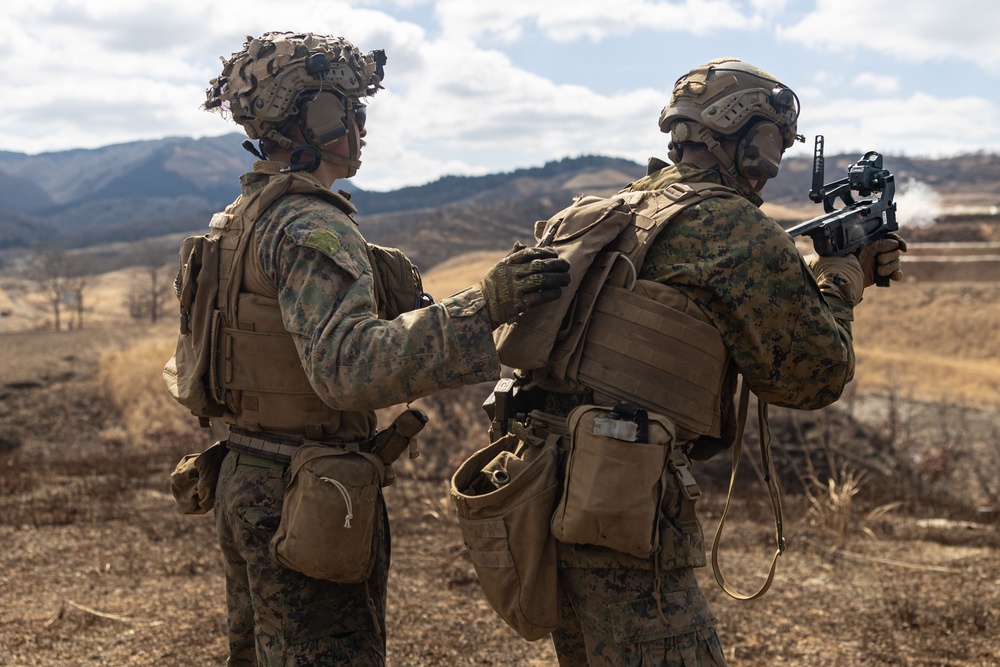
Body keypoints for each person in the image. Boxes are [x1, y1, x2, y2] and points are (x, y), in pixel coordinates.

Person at [494, 58, 905, 665]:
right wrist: (843, 281)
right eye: (771, 141)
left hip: (539, 488)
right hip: (621, 504)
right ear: (737, 135)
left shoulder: (615, 209)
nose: (774, 162)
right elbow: (813, 375)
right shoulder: (734, 227)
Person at [193, 31, 569, 665]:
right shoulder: (309, 223)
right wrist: (487, 304)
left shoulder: (244, 214)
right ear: (318, 119)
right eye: (351, 110)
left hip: (249, 472)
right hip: (305, 490)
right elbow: (349, 368)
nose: (361, 127)